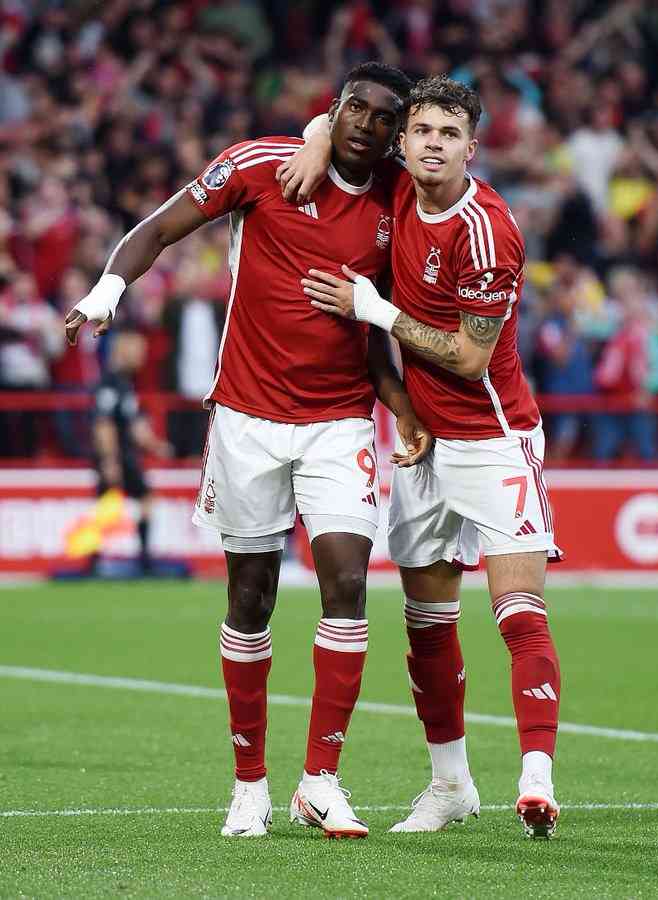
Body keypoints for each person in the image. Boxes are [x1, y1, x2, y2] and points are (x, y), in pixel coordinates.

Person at [64, 62, 431, 840]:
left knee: (347, 581)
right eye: (351, 109)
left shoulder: (400, 198)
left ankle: (321, 780)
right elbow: (158, 227)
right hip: (247, 418)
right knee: (251, 598)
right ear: (333, 111)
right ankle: (249, 785)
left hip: (339, 419)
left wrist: (400, 408)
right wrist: (108, 291)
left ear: (395, 133)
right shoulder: (264, 166)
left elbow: (379, 323)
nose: (365, 122)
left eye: (381, 116)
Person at [283, 75, 563, 838]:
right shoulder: (401, 185)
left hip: (496, 440)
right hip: (426, 446)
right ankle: (451, 787)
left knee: (517, 613)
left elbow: (470, 358)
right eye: (422, 130)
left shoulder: (489, 231)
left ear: (473, 147)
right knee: (427, 621)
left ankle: (536, 778)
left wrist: (376, 311)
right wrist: (314, 135)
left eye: (449, 132)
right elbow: (334, 122)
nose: (433, 143)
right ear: (404, 144)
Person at [91, 327, 172, 572]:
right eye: (137, 350)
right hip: (117, 455)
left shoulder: (124, 384)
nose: (142, 355)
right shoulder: (110, 383)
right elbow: (103, 424)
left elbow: (135, 425)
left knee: (120, 500)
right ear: (122, 350)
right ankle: (136, 558)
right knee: (116, 500)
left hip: (124, 454)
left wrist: (156, 446)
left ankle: (99, 558)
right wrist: (109, 460)